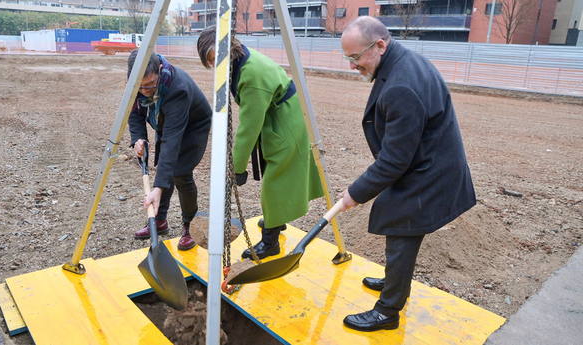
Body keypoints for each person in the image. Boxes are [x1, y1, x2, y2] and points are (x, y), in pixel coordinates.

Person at [338, 16, 476, 332]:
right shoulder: (400, 62)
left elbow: (393, 161)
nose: (351, 66)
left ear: (380, 45)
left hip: (431, 171)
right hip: (426, 161)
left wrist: (355, 193)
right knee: (398, 223)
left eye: (355, 58)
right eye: (348, 58)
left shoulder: (402, 84)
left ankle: (387, 311)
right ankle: (393, 281)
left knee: (401, 226)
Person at [197, 26, 323, 260]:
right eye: (211, 60)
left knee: (275, 181)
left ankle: (270, 242)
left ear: (230, 48)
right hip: (280, 114)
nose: (216, 64)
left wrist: (236, 168)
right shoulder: (241, 58)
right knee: (276, 176)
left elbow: (249, 128)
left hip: (285, 121)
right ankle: (276, 219)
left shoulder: (251, 76)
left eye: (217, 57)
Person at [127, 50, 212, 251]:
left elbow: (172, 142)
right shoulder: (136, 85)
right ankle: (160, 220)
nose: (144, 90)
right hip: (165, 121)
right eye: (139, 86)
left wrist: (158, 188)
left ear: (160, 70)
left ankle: (190, 225)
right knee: (163, 169)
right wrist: (138, 138)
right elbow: (134, 112)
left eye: (149, 85)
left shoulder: (177, 89)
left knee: (180, 173)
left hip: (193, 125)